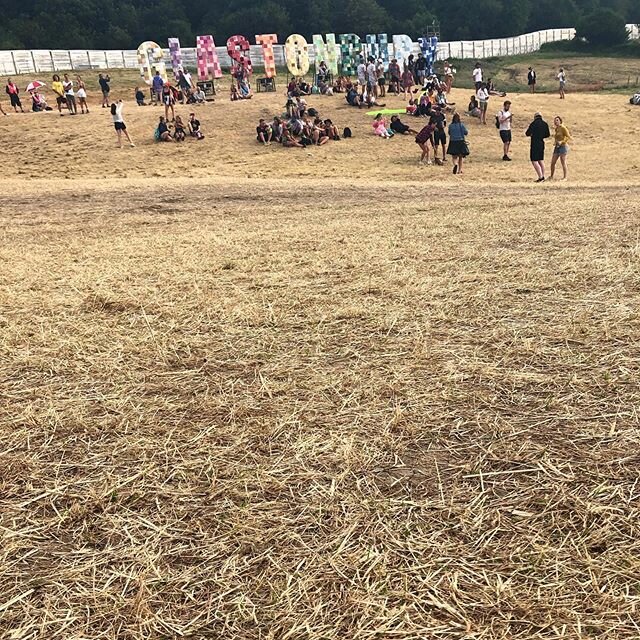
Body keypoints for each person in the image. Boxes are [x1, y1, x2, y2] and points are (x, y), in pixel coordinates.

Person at [525, 112, 551, 182]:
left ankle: (540, 177)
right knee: (540, 160)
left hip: (534, 143)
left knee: (534, 160)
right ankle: (543, 175)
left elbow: (527, 133)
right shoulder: (545, 124)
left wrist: (532, 134)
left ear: (535, 117)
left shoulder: (533, 123)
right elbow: (548, 134)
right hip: (541, 143)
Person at [549, 116, 571, 180]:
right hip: (557, 146)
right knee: (553, 162)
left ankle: (565, 177)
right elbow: (556, 137)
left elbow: (568, 136)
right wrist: (555, 142)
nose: (555, 122)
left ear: (560, 121)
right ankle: (551, 176)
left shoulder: (563, 128)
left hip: (563, 147)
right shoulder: (556, 129)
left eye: (557, 120)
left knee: (563, 161)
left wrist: (562, 142)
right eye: (555, 120)